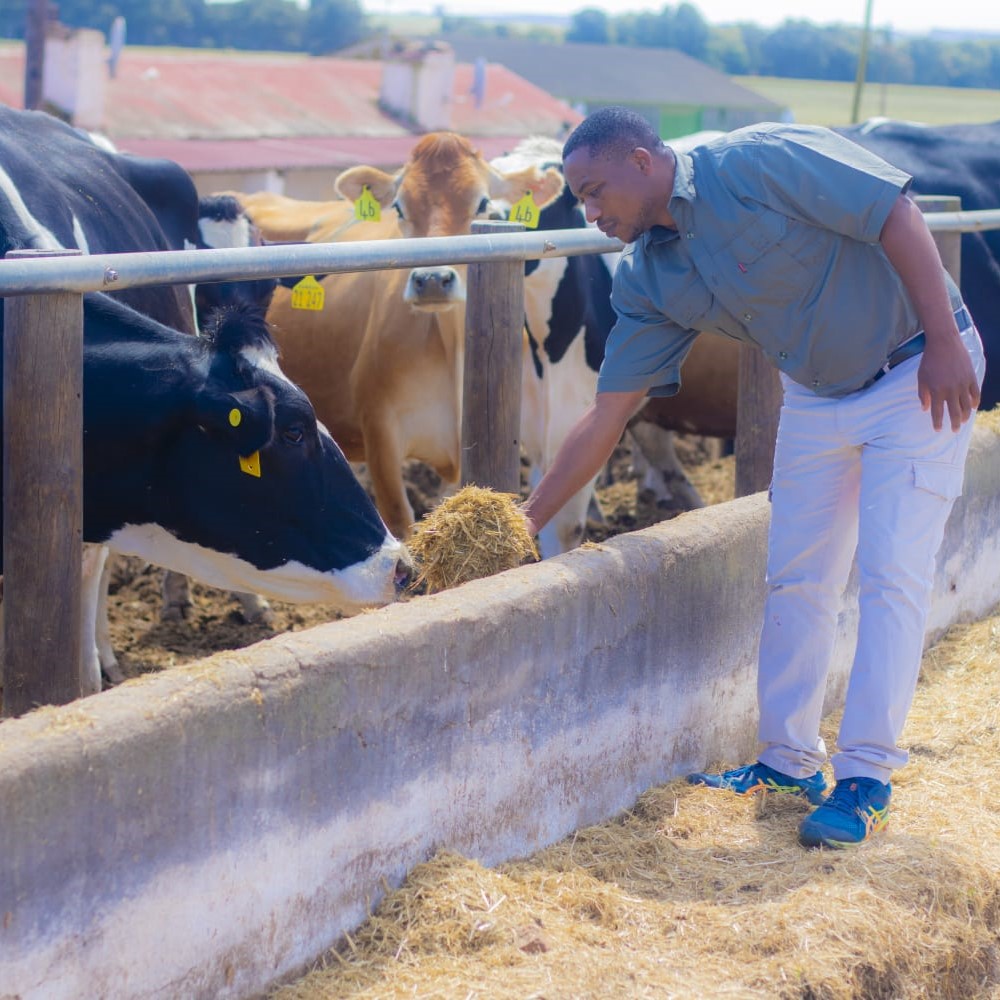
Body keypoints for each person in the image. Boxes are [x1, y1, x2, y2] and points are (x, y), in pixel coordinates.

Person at [519, 107, 984, 850]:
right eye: (582, 199)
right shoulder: (650, 279)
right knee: (797, 575)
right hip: (816, 394)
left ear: (644, 161)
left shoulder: (760, 159)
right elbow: (605, 417)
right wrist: (525, 518)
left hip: (912, 372)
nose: (591, 212)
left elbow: (894, 211)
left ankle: (865, 780)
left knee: (892, 571)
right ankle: (788, 762)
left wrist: (944, 341)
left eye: (597, 189)